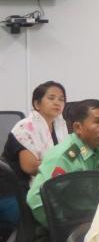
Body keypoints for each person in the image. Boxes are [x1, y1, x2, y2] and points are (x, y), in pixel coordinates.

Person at [27, 99, 99, 227]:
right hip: (73, 225)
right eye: (97, 122)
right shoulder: (64, 157)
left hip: (93, 218)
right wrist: (60, 228)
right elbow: (36, 200)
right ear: (78, 127)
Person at [1, 81, 68, 224]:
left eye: (61, 99)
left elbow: (65, 160)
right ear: (37, 104)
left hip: (44, 186)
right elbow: (30, 167)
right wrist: (63, 165)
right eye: (51, 98)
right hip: (13, 191)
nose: (57, 102)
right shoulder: (25, 128)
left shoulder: (60, 128)